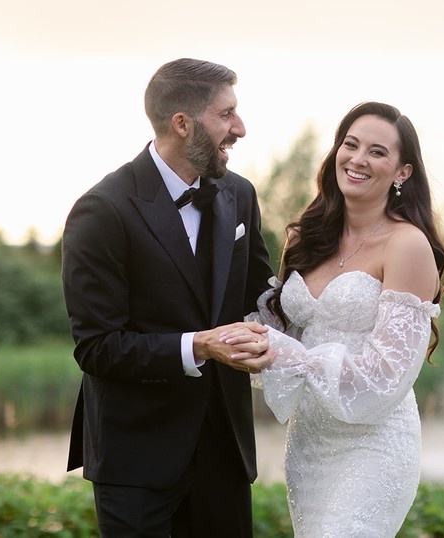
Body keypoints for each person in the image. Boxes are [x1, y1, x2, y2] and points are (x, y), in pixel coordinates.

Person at [61, 58, 276, 536]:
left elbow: (263, 301)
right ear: (182, 123)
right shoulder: (103, 210)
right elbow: (96, 346)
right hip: (136, 458)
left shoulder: (239, 195)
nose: (239, 127)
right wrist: (199, 345)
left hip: (224, 448)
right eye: (226, 114)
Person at [223, 101, 444, 537]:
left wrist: (288, 354)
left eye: (377, 151)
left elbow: (385, 378)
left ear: (402, 172)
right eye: (350, 144)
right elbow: (282, 331)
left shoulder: (407, 246)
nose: (358, 159)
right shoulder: (308, 237)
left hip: (373, 443)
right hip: (309, 442)